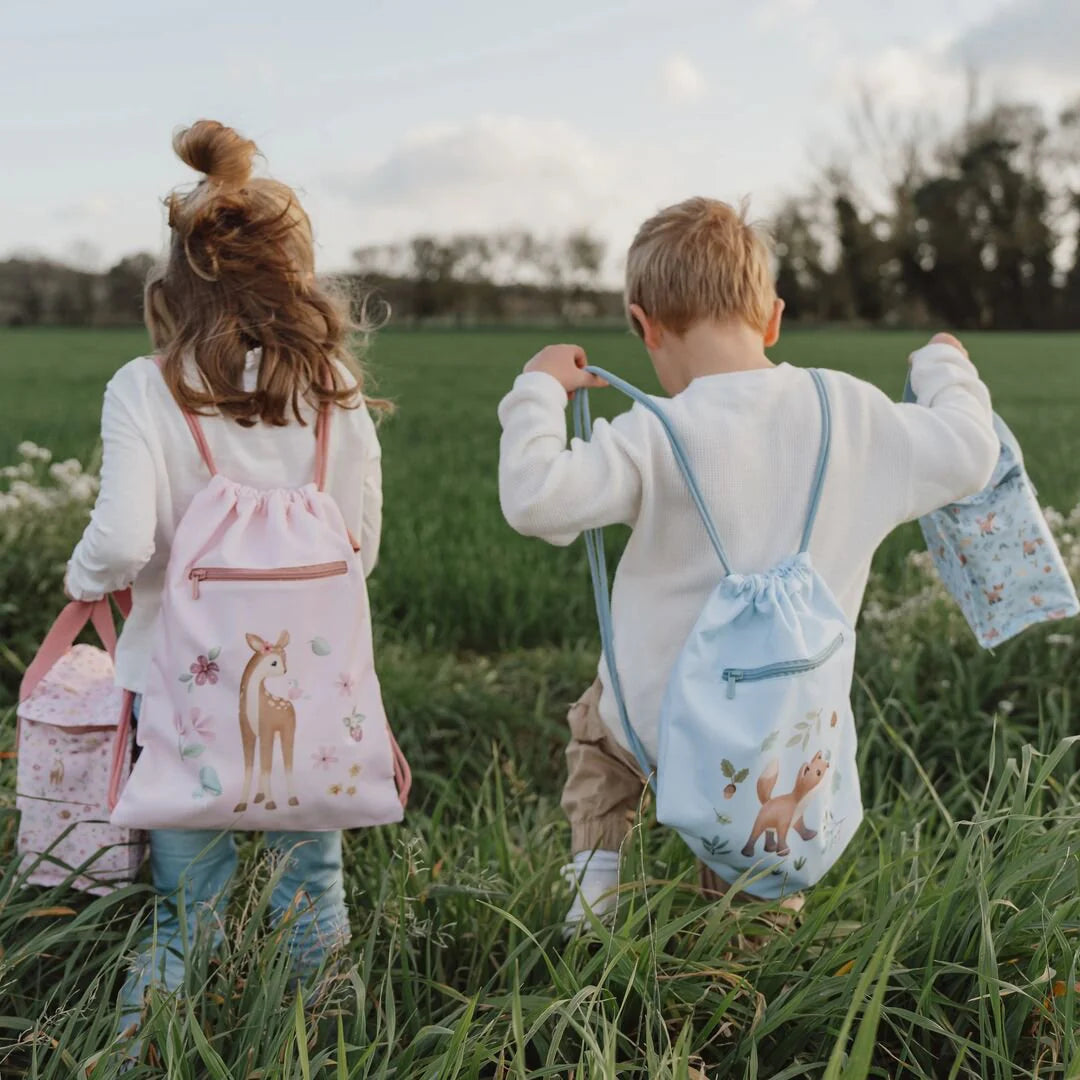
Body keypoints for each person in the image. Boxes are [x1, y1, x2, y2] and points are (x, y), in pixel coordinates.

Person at [496, 197, 998, 934]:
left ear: (644, 324)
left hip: (651, 718)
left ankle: (593, 913)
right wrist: (944, 366)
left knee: (597, 742)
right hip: (779, 724)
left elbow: (535, 498)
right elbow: (970, 451)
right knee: (759, 852)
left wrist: (539, 389)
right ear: (773, 318)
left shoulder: (655, 430)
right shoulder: (853, 414)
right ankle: (743, 987)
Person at [64, 120, 387, 1040]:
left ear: (176, 277)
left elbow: (122, 540)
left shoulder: (145, 386)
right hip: (315, 692)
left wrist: (83, 578)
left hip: (179, 691)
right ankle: (326, 1051)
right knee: (313, 896)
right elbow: (359, 547)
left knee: (184, 910)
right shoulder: (333, 389)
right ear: (299, 275)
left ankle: (136, 1056)